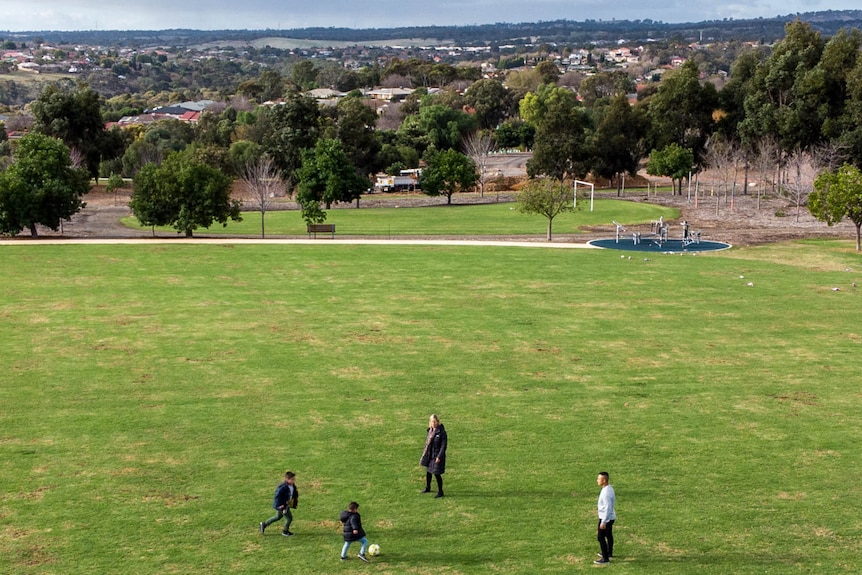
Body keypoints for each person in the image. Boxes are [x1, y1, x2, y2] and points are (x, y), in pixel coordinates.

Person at [260, 471, 298, 536]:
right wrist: (281, 507)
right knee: (289, 518)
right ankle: (285, 531)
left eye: (294, 479)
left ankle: (264, 524)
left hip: (286, 504)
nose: (293, 481)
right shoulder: (282, 487)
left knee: (278, 517)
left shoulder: (292, 485)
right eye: (292, 479)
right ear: (286, 479)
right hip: (282, 505)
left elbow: (293, 493)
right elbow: (277, 497)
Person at [419, 414, 447, 498]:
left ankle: (440, 491)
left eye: (434, 422)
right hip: (430, 455)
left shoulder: (442, 433)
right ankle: (428, 487)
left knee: (436, 473)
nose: (433, 423)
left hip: (437, 456)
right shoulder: (430, 431)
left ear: (438, 422)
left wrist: (439, 456)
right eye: (432, 422)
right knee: (428, 472)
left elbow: (443, 446)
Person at [594, 471, 616, 564]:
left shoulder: (606, 493)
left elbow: (608, 507)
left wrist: (603, 522)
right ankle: (609, 552)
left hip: (606, 518)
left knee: (600, 537)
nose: (597, 480)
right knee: (608, 535)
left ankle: (605, 558)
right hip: (610, 517)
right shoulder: (609, 488)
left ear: (604, 480)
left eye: (599, 479)